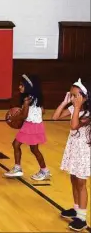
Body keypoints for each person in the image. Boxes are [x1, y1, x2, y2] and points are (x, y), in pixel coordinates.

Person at [52, 79, 90, 232]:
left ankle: (82, 218)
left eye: (75, 95)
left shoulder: (88, 114)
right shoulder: (75, 108)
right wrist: (64, 102)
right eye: (71, 95)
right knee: (73, 178)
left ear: (85, 97)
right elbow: (55, 117)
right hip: (74, 149)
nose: (73, 98)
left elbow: (74, 125)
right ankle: (76, 209)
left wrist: (77, 107)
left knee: (81, 183)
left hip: (84, 151)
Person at [5, 74, 50, 180]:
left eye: (21, 85)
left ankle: (42, 170)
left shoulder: (27, 99)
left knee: (21, 146)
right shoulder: (35, 97)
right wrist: (36, 113)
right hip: (34, 125)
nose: (19, 87)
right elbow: (43, 111)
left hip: (31, 125)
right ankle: (21, 168)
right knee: (28, 148)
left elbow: (24, 115)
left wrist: (13, 118)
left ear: (29, 86)